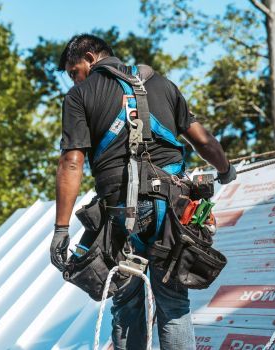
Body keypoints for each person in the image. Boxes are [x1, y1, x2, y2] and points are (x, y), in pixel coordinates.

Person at [50, 34, 236, 350]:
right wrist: (225, 170)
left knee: (127, 306)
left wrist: (61, 229)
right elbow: (202, 140)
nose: (74, 79)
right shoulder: (162, 85)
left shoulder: (80, 96)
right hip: (172, 212)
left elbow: (71, 162)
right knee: (174, 305)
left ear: (91, 58)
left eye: (74, 71)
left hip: (118, 216)